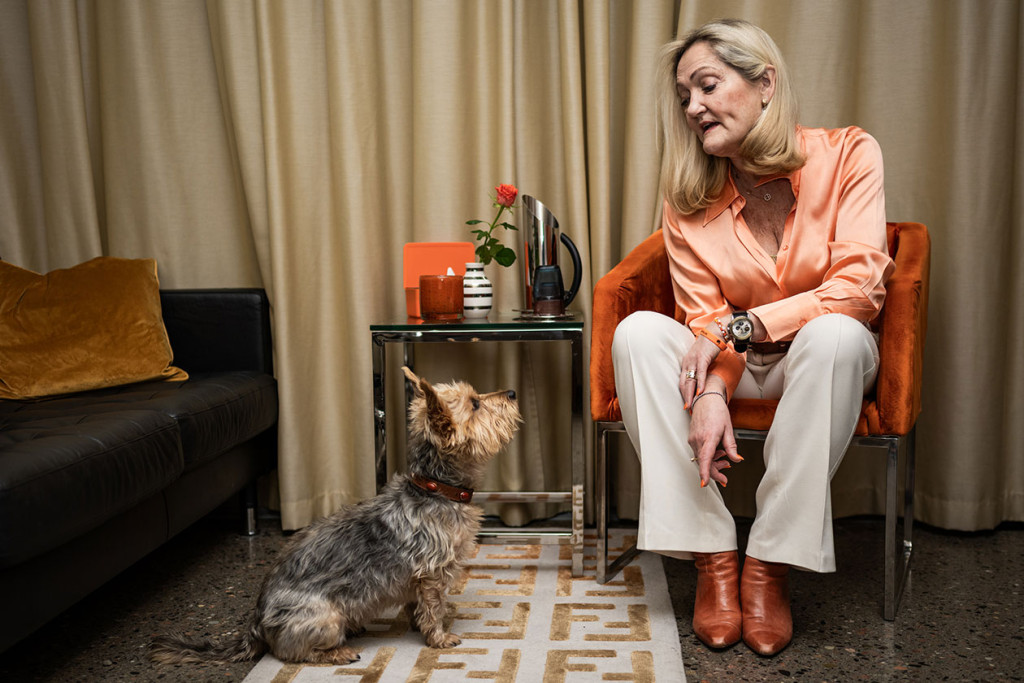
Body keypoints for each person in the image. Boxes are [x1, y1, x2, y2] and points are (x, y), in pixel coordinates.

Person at [611, 19, 894, 656]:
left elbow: (860, 284)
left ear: (765, 83)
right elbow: (702, 318)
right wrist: (711, 391)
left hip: (821, 360)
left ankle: (769, 564)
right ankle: (713, 556)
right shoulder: (687, 198)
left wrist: (748, 326)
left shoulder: (849, 153)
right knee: (636, 334)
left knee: (837, 336)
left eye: (707, 86)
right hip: (737, 363)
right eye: (684, 96)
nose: (693, 107)